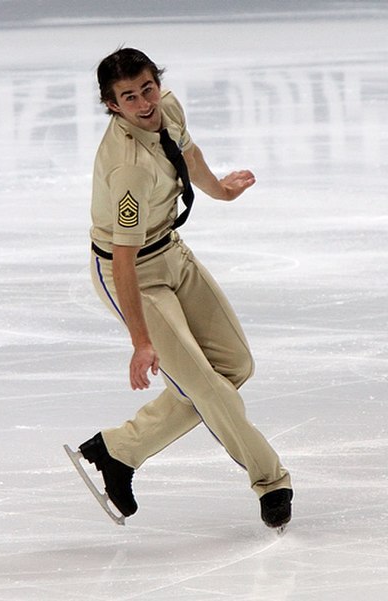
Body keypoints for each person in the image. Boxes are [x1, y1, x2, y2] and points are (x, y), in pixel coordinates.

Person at [77, 47, 293, 529]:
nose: (144, 103)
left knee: (234, 367)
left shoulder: (167, 106)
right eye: (128, 97)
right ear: (112, 105)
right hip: (131, 275)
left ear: (158, 82)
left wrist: (220, 189)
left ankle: (119, 449)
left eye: (147, 88)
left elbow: (186, 151)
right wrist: (140, 341)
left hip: (172, 252)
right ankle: (271, 479)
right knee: (208, 389)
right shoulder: (126, 167)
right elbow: (125, 261)